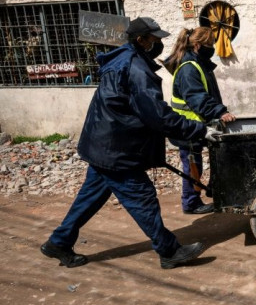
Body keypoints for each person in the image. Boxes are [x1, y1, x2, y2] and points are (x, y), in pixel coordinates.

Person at [40, 17, 222, 269]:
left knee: (90, 197)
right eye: (155, 39)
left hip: (102, 143)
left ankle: (58, 242)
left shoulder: (124, 59)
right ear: (142, 41)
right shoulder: (135, 69)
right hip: (116, 148)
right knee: (142, 197)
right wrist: (199, 130)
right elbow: (157, 114)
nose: (159, 43)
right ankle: (169, 250)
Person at [163, 27, 236, 215]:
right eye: (209, 44)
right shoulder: (189, 68)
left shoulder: (198, 63)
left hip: (197, 125)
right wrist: (219, 112)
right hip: (187, 127)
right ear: (197, 45)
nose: (212, 48)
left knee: (208, 159)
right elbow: (197, 97)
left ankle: (214, 191)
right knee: (193, 166)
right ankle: (191, 203)